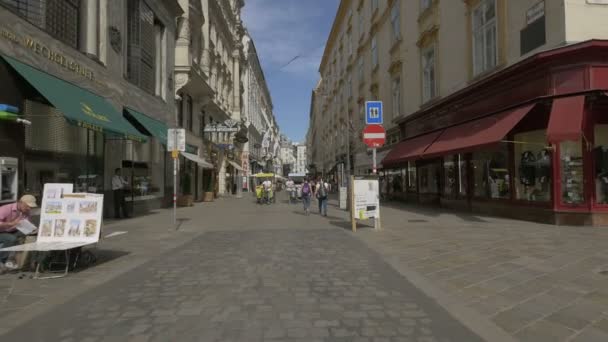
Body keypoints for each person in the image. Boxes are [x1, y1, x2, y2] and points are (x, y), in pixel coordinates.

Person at [0, 195, 37, 271]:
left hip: (12, 231)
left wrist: (34, 230)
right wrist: (10, 223)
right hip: (2, 231)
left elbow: (26, 225)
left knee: (31, 236)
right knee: (11, 239)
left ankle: (22, 262)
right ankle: (2, 260)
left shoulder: (26, 212)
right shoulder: (5, 209)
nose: (29, 208)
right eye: (27, 206)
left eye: (31, 207)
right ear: (20, 203)